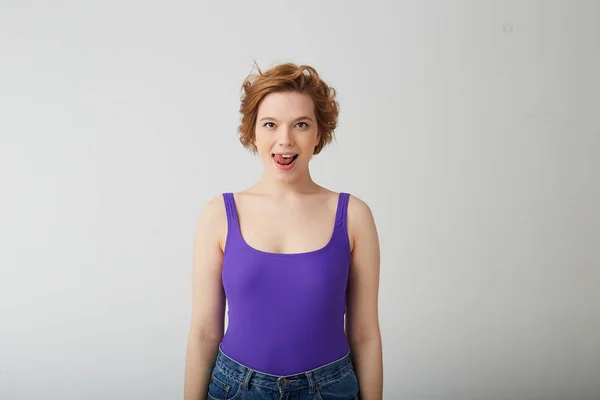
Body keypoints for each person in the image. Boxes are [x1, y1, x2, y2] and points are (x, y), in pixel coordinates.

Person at [184, 62, 383, 400]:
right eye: (270, 125)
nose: (285, 140)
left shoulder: (353, 215)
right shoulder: (218, 214)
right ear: (252, 132)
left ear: (319, 133)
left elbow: (364, 333)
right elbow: (204, 332)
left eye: (301, 125)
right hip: (236, 388)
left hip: (329, 389)